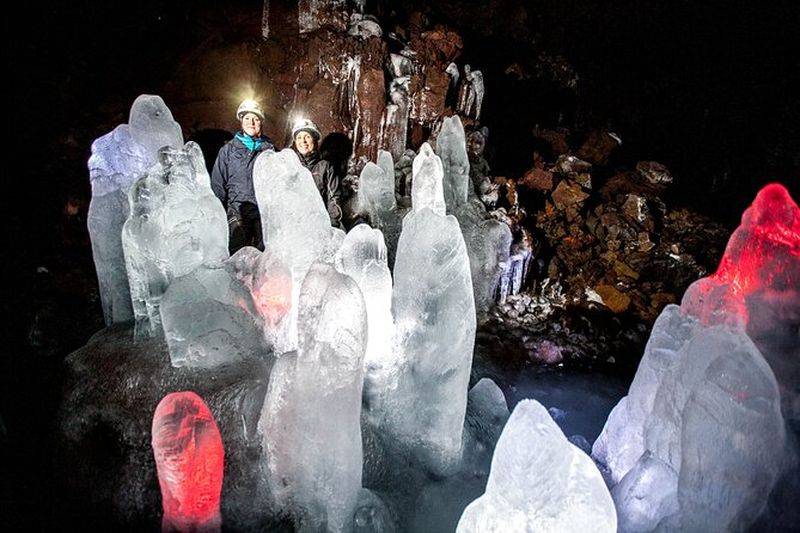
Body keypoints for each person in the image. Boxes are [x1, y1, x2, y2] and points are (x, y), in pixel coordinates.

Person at [211, 99, 274, 254]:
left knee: (265, 258)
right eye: (247, 118)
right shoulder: (228, 151)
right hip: (238, 211)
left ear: (261, 122)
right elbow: (218, 185)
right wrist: (216, 216)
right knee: (237, 257)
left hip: (263, 213)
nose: (251, 122)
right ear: (241, 121)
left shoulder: (270, 151)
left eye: (255, 119)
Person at [291, 118, 343, 228]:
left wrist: (333, 225)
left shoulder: (326, 167)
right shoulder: (290, 165)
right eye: (299, 137)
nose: (303, 141)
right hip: (296, 225)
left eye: (307, 136)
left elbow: (334, 198)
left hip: (319, 225)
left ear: (315, 140)